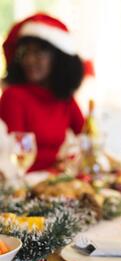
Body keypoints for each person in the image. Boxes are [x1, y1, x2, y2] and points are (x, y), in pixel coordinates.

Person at [0, 13, 85, 172]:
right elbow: (13, 154)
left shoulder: (64, 98)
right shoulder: (14, 96)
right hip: (22, 183)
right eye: (25, 53)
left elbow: (87, 136)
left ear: (58, 58)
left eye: (38, 53)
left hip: (54, 180)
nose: (29, 60)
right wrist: (57, 164)